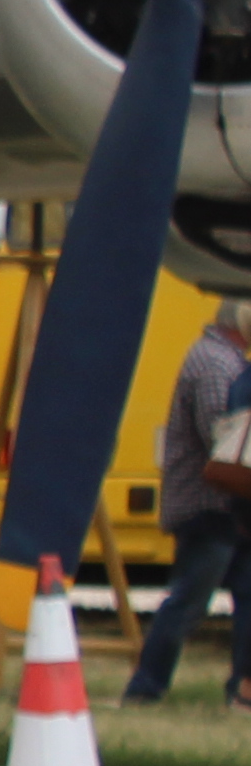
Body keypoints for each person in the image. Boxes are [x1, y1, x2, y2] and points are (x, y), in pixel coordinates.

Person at [119, 295, 251, 702]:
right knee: (189, 602)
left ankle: (241, 688)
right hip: (208, 505)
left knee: (242, 596)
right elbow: (220, 436)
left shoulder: (220, 358)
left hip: (222, 506)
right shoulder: (217, 363)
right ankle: (146, 688)